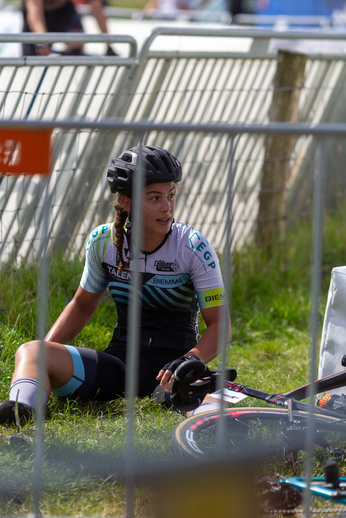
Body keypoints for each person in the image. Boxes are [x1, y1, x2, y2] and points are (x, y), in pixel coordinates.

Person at [0, 145, 232, 424]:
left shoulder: (193, 246)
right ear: (127, 202)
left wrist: (190, 360)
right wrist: (44, 359)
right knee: (31, 350)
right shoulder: (102, 242)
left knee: (215, 420)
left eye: (171, 195)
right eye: (154, 197)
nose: (166, 206)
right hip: (118, 367)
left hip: (172, 373)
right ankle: (22, 413)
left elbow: (221, 326)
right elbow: (82, 305)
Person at [22, 0, 117, 56]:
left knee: (77, 42)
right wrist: (43, 42)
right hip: (38, 16)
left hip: (63, 12)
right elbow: (34, 12)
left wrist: (108, 46)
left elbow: (96, 6)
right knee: (39, 54)